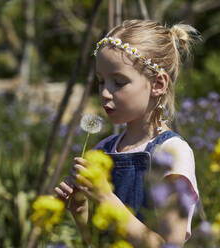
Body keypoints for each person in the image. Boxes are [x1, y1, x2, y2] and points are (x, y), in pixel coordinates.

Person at [54, 19, 200, 247]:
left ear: (158, 84)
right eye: (101, 82)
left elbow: (170, 244)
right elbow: (97, 241)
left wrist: (104, 196)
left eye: (119, 83)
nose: (104, 93)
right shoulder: (103, 149)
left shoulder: (171, 152)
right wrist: (80, 210)